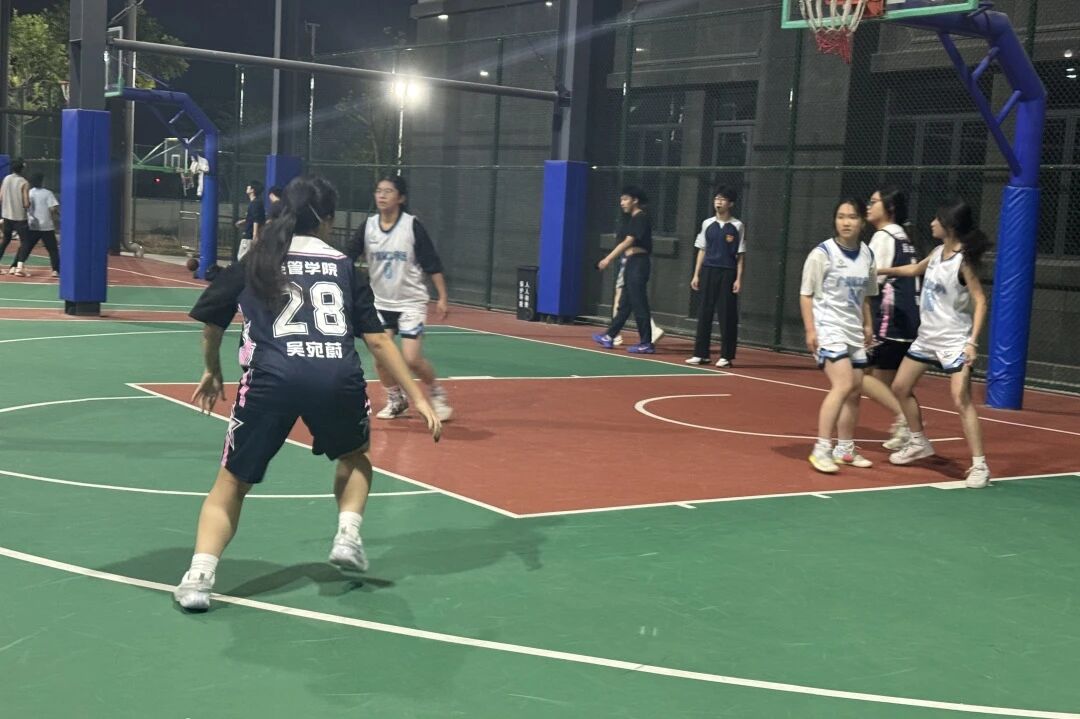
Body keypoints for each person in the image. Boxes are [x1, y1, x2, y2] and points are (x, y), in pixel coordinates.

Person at [174, 175, 441, 612]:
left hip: (271, 378)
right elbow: (378, 341)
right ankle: (347, 536)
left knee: (232, 483)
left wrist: (212, 369)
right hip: (335, 376)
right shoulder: (343, 266)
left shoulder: (258, 259)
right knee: (354, 457)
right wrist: (419, 396)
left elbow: (211, 323)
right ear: (328, 219)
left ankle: (199, 578)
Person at [879, 199, 991, 488]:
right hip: (928, 337)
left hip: (954, 341)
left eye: (936, 219)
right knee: (900, 387)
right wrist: (880, 271)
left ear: (949, 226)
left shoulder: (963, 261)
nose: (931, 223)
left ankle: (980, 465)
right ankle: (919, 442)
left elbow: (980, 301)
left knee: (961, 399)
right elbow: (914, 270)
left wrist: (972, 343)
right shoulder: (937, 252)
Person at [347, 175, 454, 422]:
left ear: (401, 198)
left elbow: (431, 262)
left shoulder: (411, 226)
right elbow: (348, 256)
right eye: (379, 191)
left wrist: (442, 297)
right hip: (381, 302)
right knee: (381, 357)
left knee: (411, 359)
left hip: (410, 302)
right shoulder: (368, 227)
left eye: (388, 191)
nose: (382, 195)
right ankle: (396, 399)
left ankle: (436, 392)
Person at [799, 197, 878, 474]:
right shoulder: (822, 254)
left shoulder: (867, 255)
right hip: (828, 327)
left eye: (852, 217)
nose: (846, 222)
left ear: (862, 222)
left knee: (855, 392)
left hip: (853, 329)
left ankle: (845, 449)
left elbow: (866, 295)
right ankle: (821, 449)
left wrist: (868, 325)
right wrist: (811, 329)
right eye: (841, 217)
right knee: (843, 384)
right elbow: (806, 294)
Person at [864, 186, 920, 450]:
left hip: (889, 319)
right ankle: (907, 425)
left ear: (890, 208)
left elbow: (872, 281)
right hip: (906, 319)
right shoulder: (903, 237)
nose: (869, 206)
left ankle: (907, 421)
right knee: (892, 383)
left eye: (874, 201)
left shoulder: (884, 236)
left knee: (859, 375)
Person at [686, 185, 745, 367]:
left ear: (731, 204)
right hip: (708, 270)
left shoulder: (737, 226)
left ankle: (726, 356)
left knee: (727, 313)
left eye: (722, 199)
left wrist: (738, 278)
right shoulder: (707, 224)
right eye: (716, 199)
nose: (718, 202)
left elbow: (740, 254)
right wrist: (696, 274)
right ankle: (701, 354)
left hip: (727, 272)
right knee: (704, 311)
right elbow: (702, 249)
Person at [592, 186, 656, 354]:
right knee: (625, 304)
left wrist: (607, 259)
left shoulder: (640, 217)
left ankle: (646, 343)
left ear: (635, 200)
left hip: (639, 264)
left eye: (625, 199)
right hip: (631, 263)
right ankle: (609, 336)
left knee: (639, 304)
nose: (622, 203)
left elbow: (628, 241)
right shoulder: (632, 219)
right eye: (621, 200)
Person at [10, 173, 60, 278]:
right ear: (42, 181)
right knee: (53, 249)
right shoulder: (48, 193)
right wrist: (57, 215)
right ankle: (55, 270)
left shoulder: (29, 193)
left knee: (25, 247)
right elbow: (53, 209)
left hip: (32, 225)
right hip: (46, 226)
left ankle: (15, 266)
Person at [0, 159, 31, 274]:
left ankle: (13, 266)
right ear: (22, 169)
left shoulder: (6, 179)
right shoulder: (24, 182)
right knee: (25, 242)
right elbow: (26, 203)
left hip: (7, 216)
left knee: (5, 241)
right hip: (20, 218)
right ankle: (19, 267)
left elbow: (1, 197)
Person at [235, 180, 266, 261]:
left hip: (249, 236)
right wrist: (243, 221)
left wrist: (254, 235)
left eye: (249, 186)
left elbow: (256, 219)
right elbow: (255, 217)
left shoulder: (255, 203)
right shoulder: (257, 202)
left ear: (252, 190)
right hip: (251, 235)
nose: (247, 187)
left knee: (242, 258)